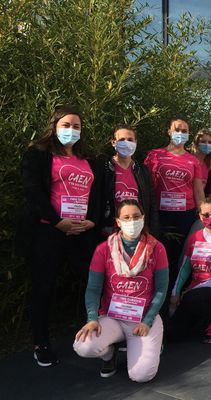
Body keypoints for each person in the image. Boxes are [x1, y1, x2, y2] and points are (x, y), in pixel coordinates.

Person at [21, 105, 103, 367]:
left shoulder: (89, 159)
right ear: (54, 126)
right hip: (49, 230)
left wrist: (93, 220)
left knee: (94, 281)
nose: (71, 130)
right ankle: (41, 342)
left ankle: (100, 334)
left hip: (82, 232)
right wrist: (58, 222)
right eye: (66, 125)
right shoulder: (38, 154)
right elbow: (33, 192)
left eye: (76, 126)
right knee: (44, 286)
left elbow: (99, 195)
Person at [73, 199, 168, 382]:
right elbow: (93, 289)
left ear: (143, 218)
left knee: (141, 375)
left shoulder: (157, 249)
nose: (132, 222)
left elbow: (161, 289)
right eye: (126, 217)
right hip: (112, 317)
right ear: (118, 222)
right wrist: (92, 319)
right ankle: (109, 355)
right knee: (84, 346)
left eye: (136, 217)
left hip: (143, 319)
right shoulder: (103, 250)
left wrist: (148, 320)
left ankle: (147, 341)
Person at [145, 118, 205, 292]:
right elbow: (146, 184)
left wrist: (202, 215)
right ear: (169, 131)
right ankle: (156, 295)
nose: (181, 133)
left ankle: (175, 293)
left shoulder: (193, 160)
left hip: (185, 214)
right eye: (177, 129)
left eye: (184, 130)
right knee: (158, 256)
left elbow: (198, 190)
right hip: (160, 214)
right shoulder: (155, 155)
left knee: (180, 257)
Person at [167, 196, 211, 342]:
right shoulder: (195, 237)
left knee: (192, 298)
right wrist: (175, 292)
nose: (210, 218)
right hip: (193, 293)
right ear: (200, 216)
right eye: (206, 215)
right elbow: (185, 268)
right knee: (173, 333)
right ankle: (202, 321)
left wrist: (194, 290)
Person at [101, 125, 158, 237]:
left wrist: (154, 230)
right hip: (110, 230)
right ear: (113, 142)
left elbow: (151, 202)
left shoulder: (142, 170)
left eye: (130, 140)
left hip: (137, 228)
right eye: (122, 139)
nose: (126, 143)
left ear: (136, 142)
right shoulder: (104, 168)